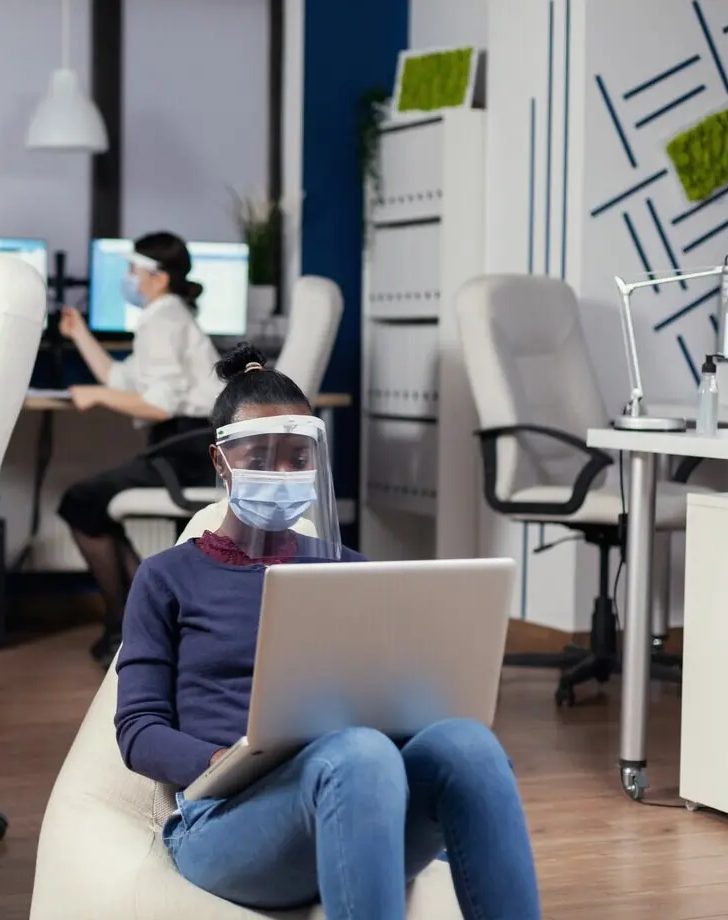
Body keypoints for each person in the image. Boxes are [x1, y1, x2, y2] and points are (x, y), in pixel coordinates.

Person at [114, 343, 542, 919]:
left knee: (468, 745)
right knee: (357, 753)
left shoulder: (351, 571)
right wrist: (227, 760)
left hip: (354, 802)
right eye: (261, 457)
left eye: (297, 457)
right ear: (221, 463)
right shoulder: (167, 576)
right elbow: (138, 732)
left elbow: (392, 705)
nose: (283, 473)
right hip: (225, 824)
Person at [57, 232, 223, 667]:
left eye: (133, 271)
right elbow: (124, 379)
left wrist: (96, 396)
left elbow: (158, 403)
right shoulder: (164, 316)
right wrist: (80, 335)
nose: (128, 279)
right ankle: (137, 622)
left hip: (185, 452)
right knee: (87, 504)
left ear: (158, 278)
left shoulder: (163, 322)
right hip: (181, 447)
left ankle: (123, 625)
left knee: (81, 502)